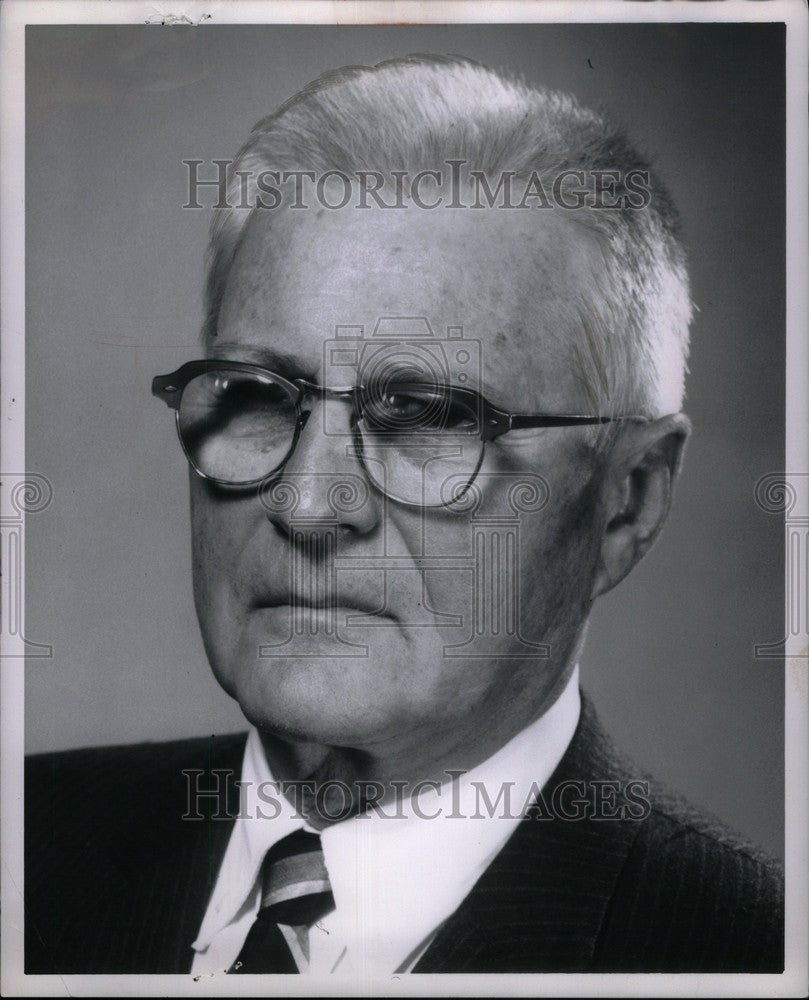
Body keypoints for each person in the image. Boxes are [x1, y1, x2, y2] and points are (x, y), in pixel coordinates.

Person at [25, 55, 783, 976]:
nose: (307, 504)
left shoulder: (742, 955)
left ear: (625, 501)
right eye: (261, 396)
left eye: (427, 416)